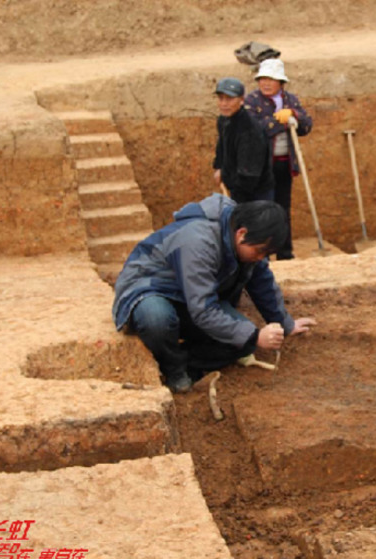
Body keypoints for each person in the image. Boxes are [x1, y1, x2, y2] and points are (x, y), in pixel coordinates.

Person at [112, 194, 316, 393]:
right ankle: (173, 369)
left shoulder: (248, 240)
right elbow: (203, 309)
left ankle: (188, 364)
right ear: (241, 233)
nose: (260, 257)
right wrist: (255, 337)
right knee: (156, 319)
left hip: (191, 295)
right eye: (260, 251)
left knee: (241, 343)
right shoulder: (199, 241)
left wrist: (285, 324)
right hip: (151, 288)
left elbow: (262, 282)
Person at [244, 58, 313, 261]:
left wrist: (294, 115)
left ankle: (285, 253)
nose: (265, 83)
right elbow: (256, 129)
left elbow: (307, 125)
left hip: (284, 164)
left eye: (271, 79)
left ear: (281, 82)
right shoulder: (252, 101)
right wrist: (279, 120)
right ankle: (262, 255)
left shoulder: (290, 100)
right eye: (262, 79)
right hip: (263, 167)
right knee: (264, 210)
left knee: (283, 210)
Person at [212, 77, 274, 203]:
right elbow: (222, 146)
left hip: (256, 194)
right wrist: (219, 166)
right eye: (221, 98)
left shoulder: (250, 130)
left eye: (229, 99)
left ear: (241, 100)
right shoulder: (224, 120)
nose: (224, 104)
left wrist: (225, 176)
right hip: (237, 187)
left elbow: (248, 176)